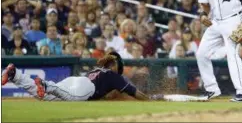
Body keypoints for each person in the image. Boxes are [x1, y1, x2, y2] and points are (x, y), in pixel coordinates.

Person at [1, 52, 149, 101]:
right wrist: (149, 101)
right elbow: (134, 92)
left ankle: (15, 75)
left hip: (74, 80)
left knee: (45, 97)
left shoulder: (98, 70)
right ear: (114, 66)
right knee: (73, 99)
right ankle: (45, 85)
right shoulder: (113, 75)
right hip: (85, 87)